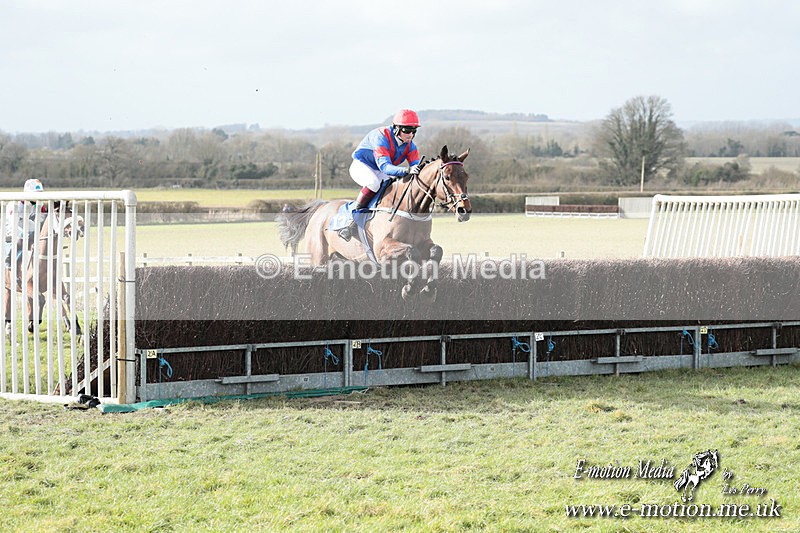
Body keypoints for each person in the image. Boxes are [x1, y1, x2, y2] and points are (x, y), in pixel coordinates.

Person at [337, 109, 422, 241]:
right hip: (362, 165)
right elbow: (385, 167)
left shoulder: (410, 146)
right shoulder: (381, 137)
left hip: (380, 170)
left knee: (392, 187)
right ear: (396, 128)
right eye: (406, 130)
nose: (410, 134)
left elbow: (416, 167)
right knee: (373, 183)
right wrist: (406, 170)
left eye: (413, 131)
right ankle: (350, 223)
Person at [4, 178, 46, 269]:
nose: (39, 197)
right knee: (22, 237)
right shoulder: (14, 205)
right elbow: (14, 224)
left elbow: (41, 220)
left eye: (40, 193)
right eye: (36, 194)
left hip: (26, 226)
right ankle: (9, 259)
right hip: (10, 229)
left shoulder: (40, 205)